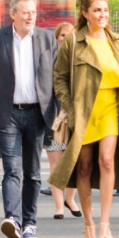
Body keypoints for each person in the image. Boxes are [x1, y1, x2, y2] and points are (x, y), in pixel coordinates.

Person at [50, 0, 119, 238]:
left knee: (108, 161)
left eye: (105, 10)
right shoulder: (73, 41)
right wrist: (70, 106)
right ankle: (88, 224)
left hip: (112, 108)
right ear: (85, 13)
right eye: (97, 10)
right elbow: (59, 78)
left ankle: (105, 223)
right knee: (84, 166)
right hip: (84, 110)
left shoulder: (117, 41)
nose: (102, 15)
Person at [0, 0, 60, 238]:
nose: (30, 16)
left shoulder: (47, 39)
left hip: (38, 113)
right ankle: (12, 218)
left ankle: (30, 223)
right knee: (12, 169)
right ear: (13, 14)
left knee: (33, 172)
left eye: (33, 12)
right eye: (25, 12)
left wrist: (60, 113)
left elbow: (57, 80)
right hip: (8, 114)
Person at [43, 21, 82, 221]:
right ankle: (59, 206)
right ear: (56, 39)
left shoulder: (80, 62)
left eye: (69, 36)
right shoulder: (48, 61)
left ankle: (71, 199)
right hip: (53, 120)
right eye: (61, 35)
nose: (65, 39)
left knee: (73, 162)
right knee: (56, 164)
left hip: (74, 119)